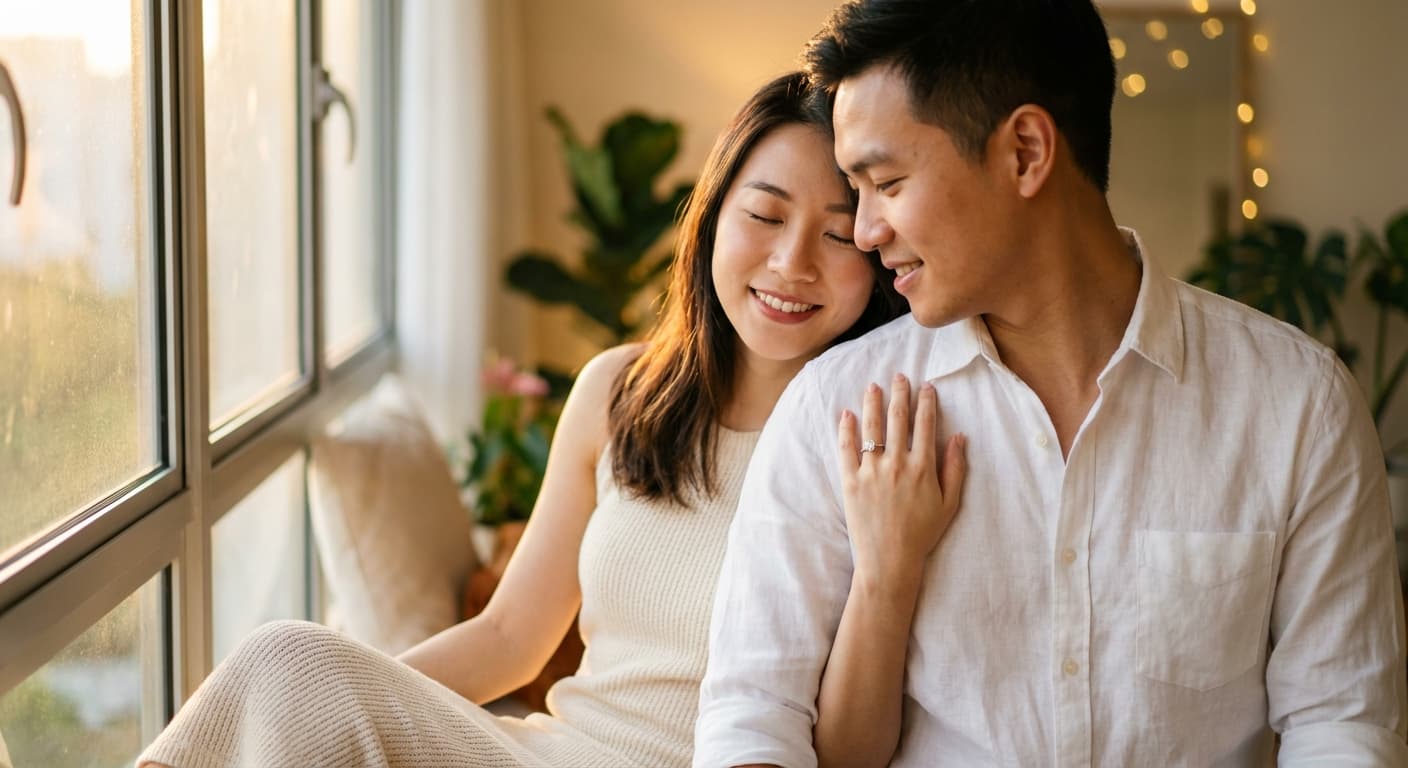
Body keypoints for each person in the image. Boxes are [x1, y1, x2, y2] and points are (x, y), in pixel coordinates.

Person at [693, 2, 1408, 767]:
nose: (866, 231)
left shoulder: (1298, 405)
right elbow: (754, 718)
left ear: (1026, 152)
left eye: (887, 182)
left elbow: (1341, 723)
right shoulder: (832, 407)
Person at [136, 71, 912, 768]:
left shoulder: (875, 446)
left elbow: (850, 757)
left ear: (877, 254)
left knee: (294, 663)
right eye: (765, 215)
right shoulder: (620, 391)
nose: (791, 263)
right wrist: (345, 709)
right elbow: (509, 638)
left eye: (837, 234)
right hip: (547, 750)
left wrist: (887, 570)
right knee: (292, 663)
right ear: (712, 220)